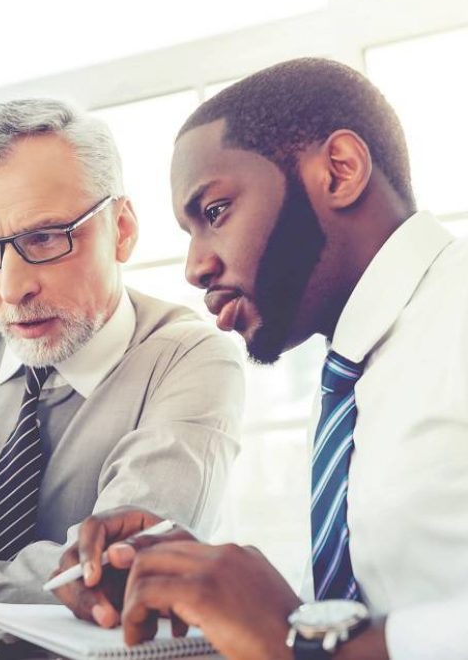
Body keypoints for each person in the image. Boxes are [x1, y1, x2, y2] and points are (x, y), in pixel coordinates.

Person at [53, 58, 468, 660]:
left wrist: (306, 645)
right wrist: (199, 577)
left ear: (340, 171)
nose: (195, 266)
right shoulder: (349, 381)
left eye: (214, 213)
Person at [0, 99, 245, 630]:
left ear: (122, 229)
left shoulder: (190, 359)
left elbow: (116, 564)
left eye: (44, 238)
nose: (12, 287)